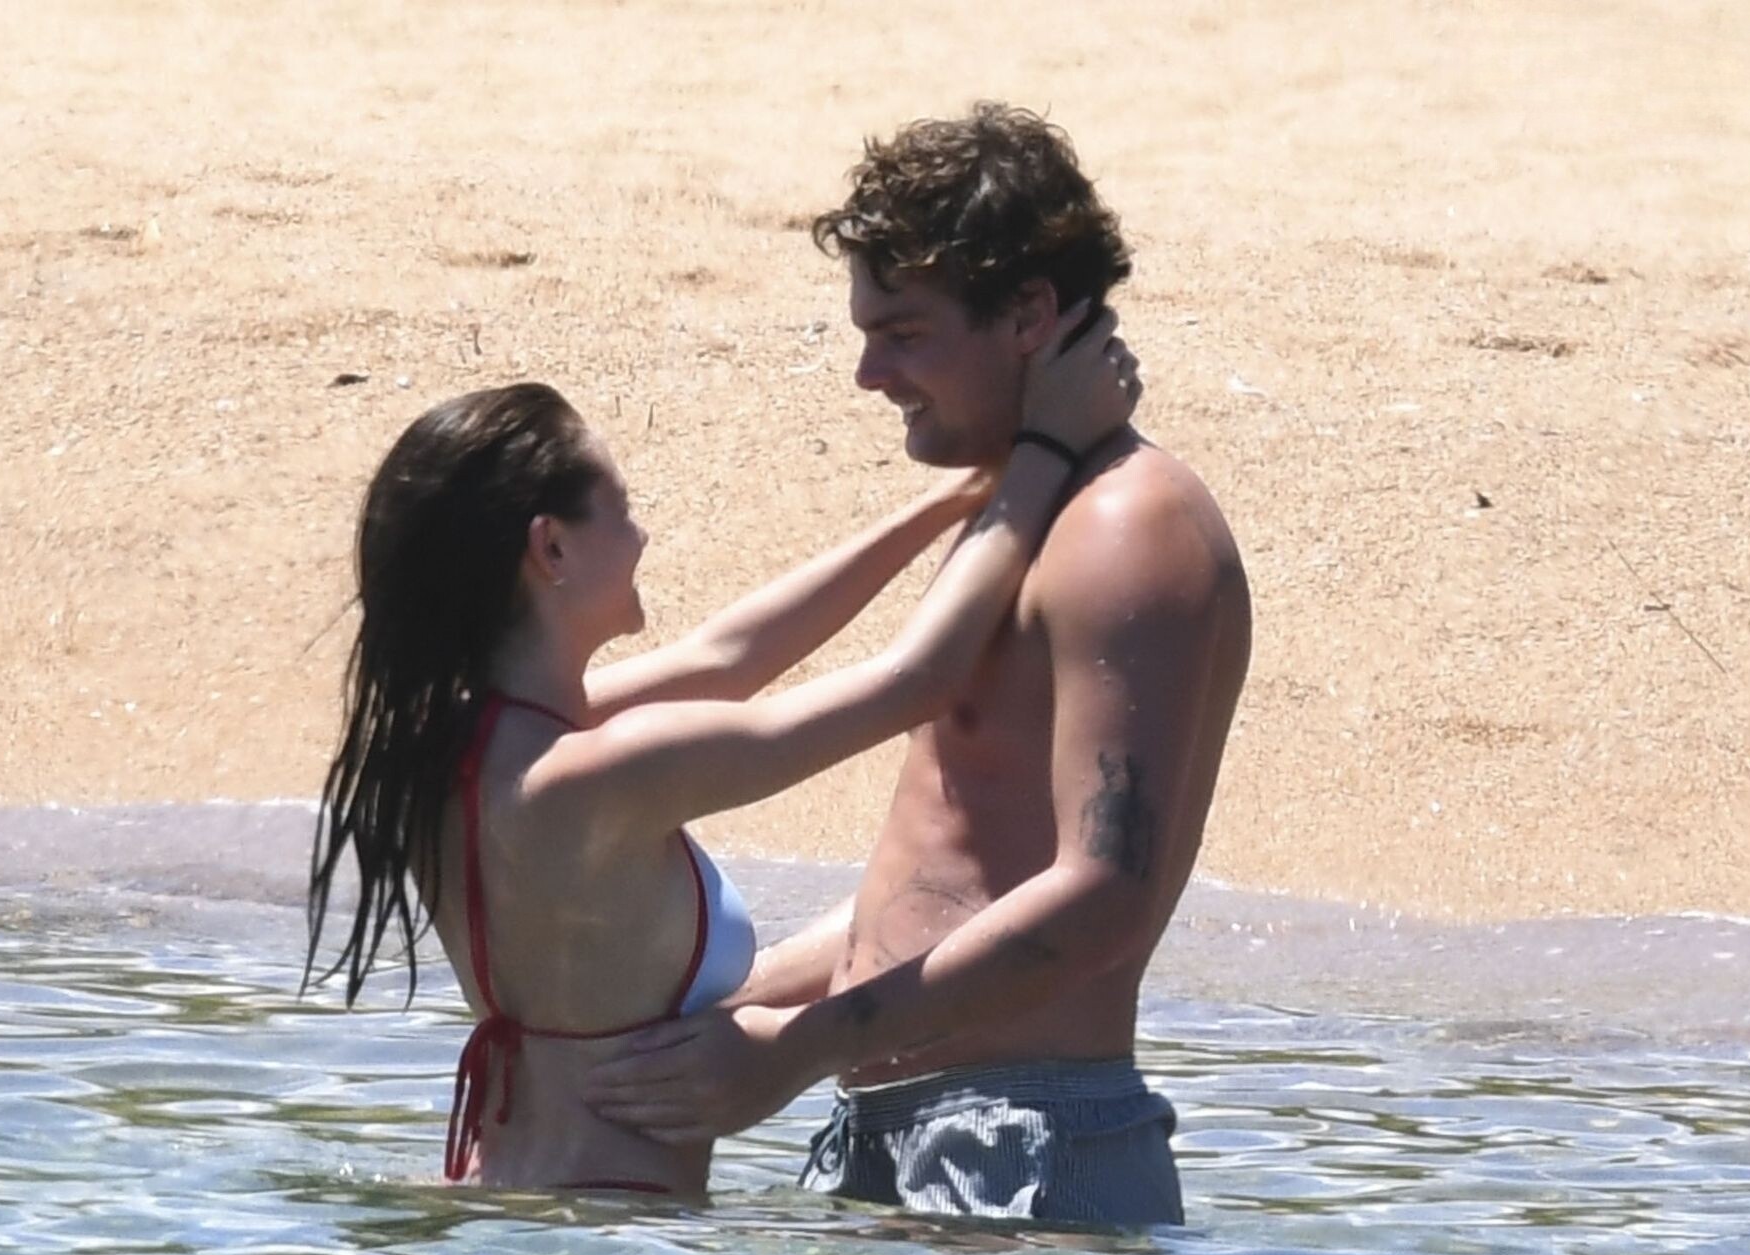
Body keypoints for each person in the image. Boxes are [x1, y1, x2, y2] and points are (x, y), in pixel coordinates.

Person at [585, 103, 1253, 1229]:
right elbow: (950, 880)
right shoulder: (1028, 508)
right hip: (909, 1124)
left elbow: (1104, 895)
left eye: (902, 332)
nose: (867, 372)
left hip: (1025, 1142)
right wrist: (722, 1015)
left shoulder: (1125, 530)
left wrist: (795, 1051)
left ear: (1028, 314)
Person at [303, 306, 1139, 1194]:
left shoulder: (450, 748)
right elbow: (917, 680)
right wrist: (1047, 449)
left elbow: (727, 656)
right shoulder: (604, 771)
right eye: (623, 509)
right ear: (551, 547)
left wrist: (960, 497)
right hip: (614, 1238)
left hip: (499, 1205)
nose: (643, 535)